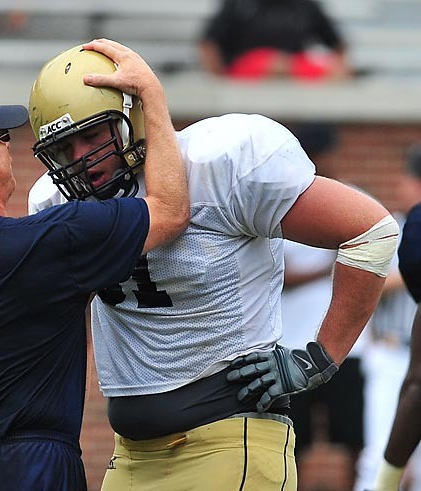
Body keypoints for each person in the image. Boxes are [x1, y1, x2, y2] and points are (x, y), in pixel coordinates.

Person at [27, 42, 399, 490]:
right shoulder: (52, 199)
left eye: (93, 135)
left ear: (135, 117)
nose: (82, 160)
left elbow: (371, 232)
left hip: (228, 440)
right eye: (65, 147)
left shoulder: (218, 165)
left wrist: (322, 356)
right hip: (130, 455)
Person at [0, 39, 189, 491]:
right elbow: (170, 210)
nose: (7, 149)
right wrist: (151, 94)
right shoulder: (49, 241)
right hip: (30, 468)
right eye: (1, 140)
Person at [280, 124, 366, 489]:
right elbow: (278, 276)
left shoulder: (356, 201)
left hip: (346, 345)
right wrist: (330, 267)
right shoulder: (281, 204)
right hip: (291, 343)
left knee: (351, 437)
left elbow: (378, 268)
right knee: (291, 438)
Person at [369, 144, 421, 491]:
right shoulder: (398, 227)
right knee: (375, 453)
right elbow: (374, 281)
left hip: (408, 353)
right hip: (392, 349)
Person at [199, 0, 351, 81]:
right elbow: (209, 43)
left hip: (295, 72)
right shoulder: (238, 4)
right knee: (275, 64)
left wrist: (338, 69)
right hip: (245, 72)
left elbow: (337, 44)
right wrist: (221, 81)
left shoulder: (305, 6)